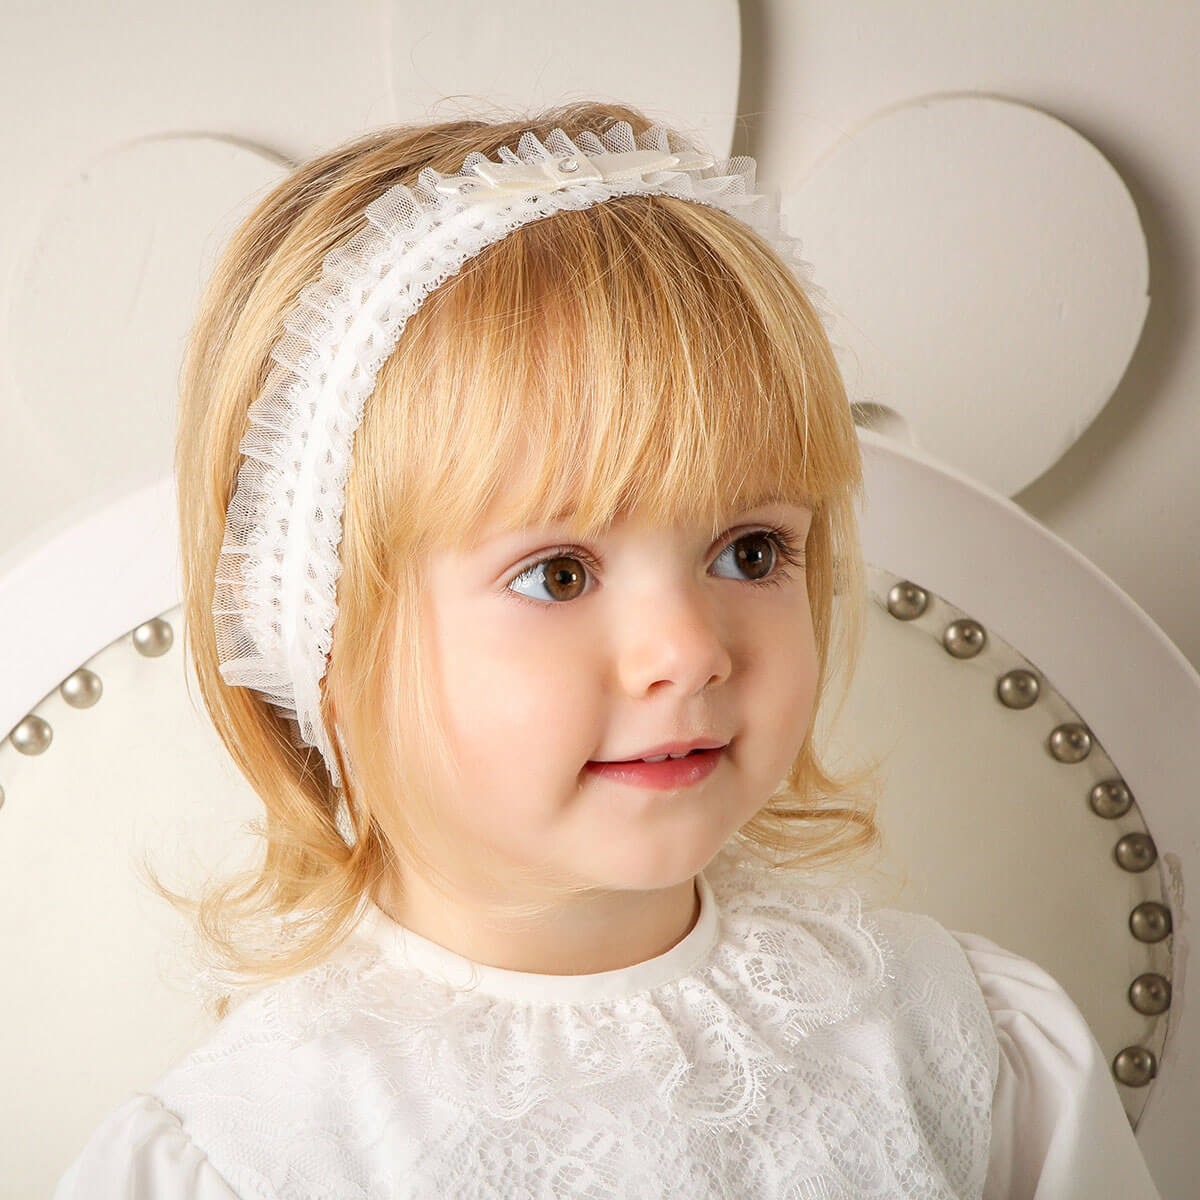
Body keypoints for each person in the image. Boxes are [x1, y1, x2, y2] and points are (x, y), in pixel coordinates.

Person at [54, 99, 1163, 1199]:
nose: (687, 653)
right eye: (558, 574)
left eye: (750, 551)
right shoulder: (250, 1155)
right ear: (323, 633)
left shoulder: (960, 1042)